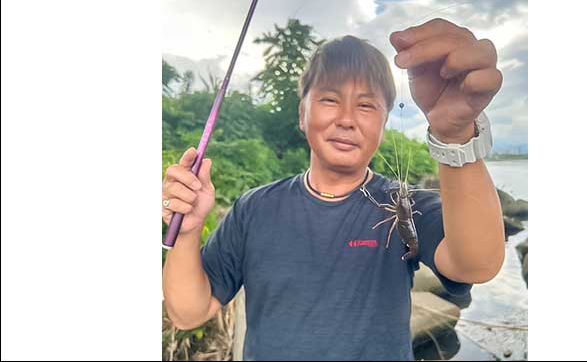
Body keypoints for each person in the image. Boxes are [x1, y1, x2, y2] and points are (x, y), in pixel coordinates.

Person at [162, 18, 505, 360]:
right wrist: (188, 232)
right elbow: (188, 312)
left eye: (367, 104)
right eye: (329, 99)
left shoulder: (407, 203)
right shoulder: (253, 209)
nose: (347, 118)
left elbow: (476, 265)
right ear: (302, 113)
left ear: (384, 125)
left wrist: (455, 134)